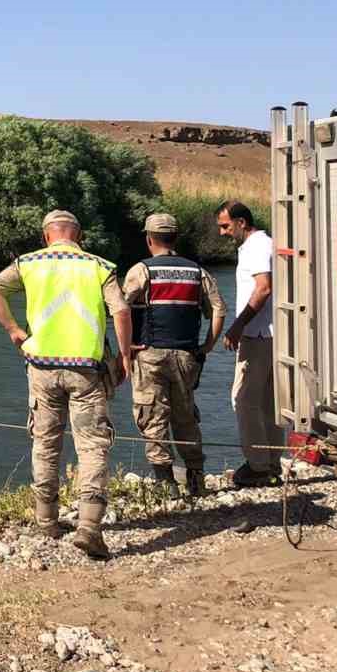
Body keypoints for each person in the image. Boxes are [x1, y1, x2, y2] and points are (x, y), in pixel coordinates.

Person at [0, 210, 132, 560]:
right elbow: (122, 312)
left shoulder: (28, 263)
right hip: (86, 368)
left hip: (42, 365)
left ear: (46, 235)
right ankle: (89, 527)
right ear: (78, 236)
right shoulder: (99, 265)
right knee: (93, 445)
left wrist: (14, 330)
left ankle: (46, 518)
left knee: (45, 441)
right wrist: (124, 356)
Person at [122, 213, 226, 498]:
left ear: (149, 239)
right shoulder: (197, 272)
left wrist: (126, 347)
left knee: (152, 415)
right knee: (185, 416)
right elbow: (219, 309)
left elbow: (120, 309)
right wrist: (207, 346)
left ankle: (165, 484)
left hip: (150, 353)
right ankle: (196, 479)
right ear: (176, 238)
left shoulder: (141, 271)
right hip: (186, 355)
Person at [217, 201, 280, 486]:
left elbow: (263, 288)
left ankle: (257, 466)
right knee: (266, 402)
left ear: (242, 222)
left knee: (243, 400)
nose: (222, 233)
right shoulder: (266, 243)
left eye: (226, 226)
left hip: (257, 336)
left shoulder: (255, 247)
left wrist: (238, 325)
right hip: (273, 335)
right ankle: (272, 462)